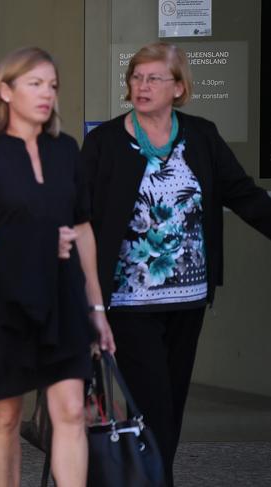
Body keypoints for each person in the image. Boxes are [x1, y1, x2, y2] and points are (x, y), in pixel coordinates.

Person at [80, 41, 271, 487]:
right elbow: (80, 216)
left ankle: (153, 474)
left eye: (154, 79)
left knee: (172, 398)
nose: (142, 86)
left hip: (188, 297)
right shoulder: (106, 141)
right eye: (136, 77)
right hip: (129, 297)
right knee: (151, 401)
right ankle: (157, 479)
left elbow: (242, 193)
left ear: (179, 88)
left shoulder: (201, 135)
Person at [0, 46, 115, 487]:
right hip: (2, 303)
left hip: (62, 298)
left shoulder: (66, 151)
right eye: (35, 84)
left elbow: (82, 231)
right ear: (5, 91)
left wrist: (96, 309)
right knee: (4, 418)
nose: (47, 94)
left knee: (72, 411)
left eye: (52, 86)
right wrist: (31, 243)